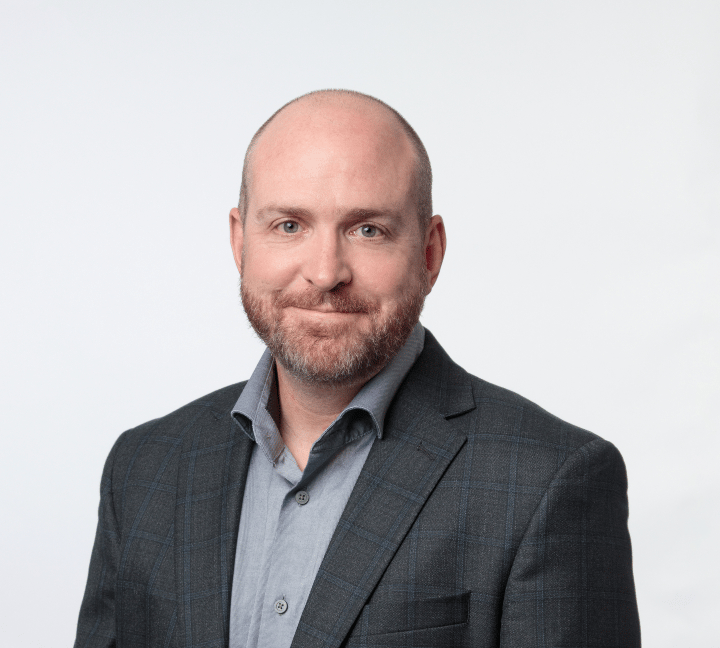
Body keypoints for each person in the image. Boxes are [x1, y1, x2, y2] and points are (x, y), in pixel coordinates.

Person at [74, 89, 640, 648]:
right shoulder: (142, 469)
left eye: (367, 229)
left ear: (429, 252)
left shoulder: (548, 481)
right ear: (239, 240)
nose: (325, 273)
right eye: (289, 225)